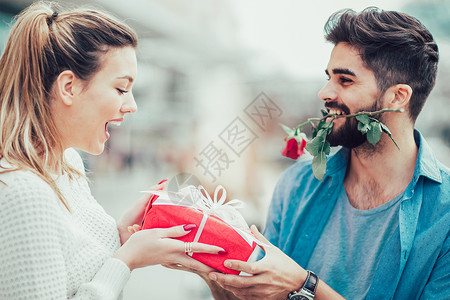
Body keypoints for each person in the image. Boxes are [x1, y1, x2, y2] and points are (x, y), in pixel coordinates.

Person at [183, 7, 449, 300]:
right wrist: (213, 269)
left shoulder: (444, 214)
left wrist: (304, 285)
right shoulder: (296, 186)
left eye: (344, 80)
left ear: (398, 97)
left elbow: (291, 283)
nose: (324, 92)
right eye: (328, 78)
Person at [0, 2, 226, 299]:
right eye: (121, 89)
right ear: (68, 87)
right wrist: (126, 261)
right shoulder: (23, 192)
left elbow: (75, 259)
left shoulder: (67, 164)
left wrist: (121, 235)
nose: (132, 106)